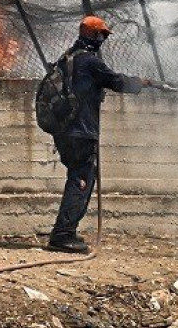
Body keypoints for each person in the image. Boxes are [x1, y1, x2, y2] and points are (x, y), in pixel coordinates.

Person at [44, 15, 153, 254]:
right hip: (81, 131)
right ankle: (62, 235)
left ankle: (65, 232)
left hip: (66, 130)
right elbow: (116, 81)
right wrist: (142, 83)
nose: (103, 39)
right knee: (81, 180)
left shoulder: (67, 58)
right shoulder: (89, 62)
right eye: (102, 35)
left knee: (79, 176)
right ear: (93, 35)